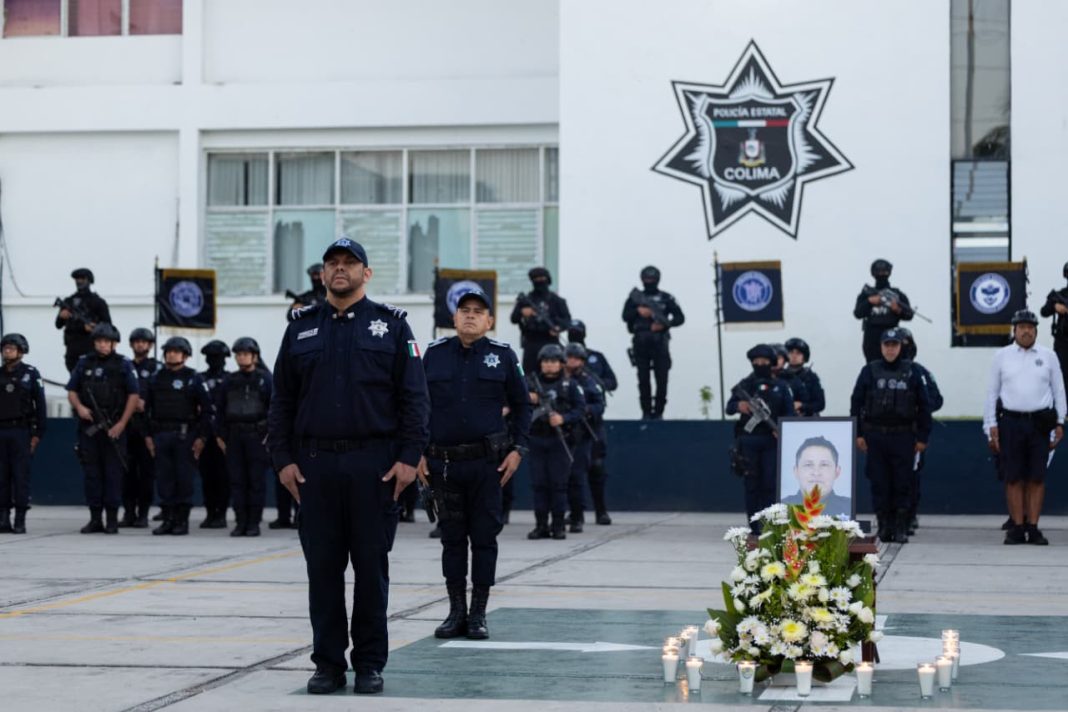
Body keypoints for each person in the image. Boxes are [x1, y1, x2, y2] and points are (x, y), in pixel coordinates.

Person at [267, 236, 429, 695]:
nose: (341, 270)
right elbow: (281, 399)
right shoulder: (300, 328)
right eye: (332, 263)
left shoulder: (392, 326)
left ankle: (370, 663)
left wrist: (408, 459)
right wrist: (282, 460)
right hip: (314, 466)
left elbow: (414, 397)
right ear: (322, 274)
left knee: (371, 570)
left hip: (373, 466)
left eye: (350, 263)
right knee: (323, 570)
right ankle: (328, 664)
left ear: (366, 273)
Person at [417, 286, 531, 640]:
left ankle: (479, 612)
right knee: (452, 540)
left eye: (478, 311)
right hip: (443, 465)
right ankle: (456, 611)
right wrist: (415, 451)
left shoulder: (503, 355)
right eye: (464, 309)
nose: (470, 315)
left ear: (490, 320)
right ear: (453, 317)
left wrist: (518, 450)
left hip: (486, 465)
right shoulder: (434, 355)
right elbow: (416, 404)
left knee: (484, 539)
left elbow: (523, 406)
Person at [984, 310, 1066, 546]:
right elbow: (992, 392)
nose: (1026, 330)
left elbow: (1059, 391)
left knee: (1036, 478)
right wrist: (991, 424)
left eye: (1030, 327)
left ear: (1036, 331)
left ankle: (1033, 527)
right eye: (1021, 327)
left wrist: (1059, 422)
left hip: (1040, 423)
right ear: (1014, 330)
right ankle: (1017, 528)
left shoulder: (1048, 356)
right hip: (1010, 423)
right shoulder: (1002, 356)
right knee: (1013, 478)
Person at [850, 328, 931, 544]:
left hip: (904, 436)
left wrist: (922, 438)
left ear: (900, 347)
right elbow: (856, 403)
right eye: (887, 345)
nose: (890, 349)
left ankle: (901, 527)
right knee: (880, 482)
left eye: (894, 345)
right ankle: (884, 526)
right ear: (881, 347)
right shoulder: (869, 371)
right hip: (875, 436)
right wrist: (858, 434)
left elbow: (925, 406)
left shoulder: (912, 371)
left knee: (902, 483)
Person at [66, 324, 139, 534]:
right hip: (90, 428)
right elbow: (72, 390)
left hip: (114, 427)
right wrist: (79, 407)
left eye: (106, 341)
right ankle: (95, 518)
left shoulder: (123, 364)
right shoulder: (84, 362)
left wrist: (122, 423)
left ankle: (112, 520)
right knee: (92, 474)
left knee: (113, 475)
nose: (102, 345)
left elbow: (133, 396)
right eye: (99, 341)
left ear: (114, 343)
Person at [145, 337, 213, 537]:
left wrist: (202, 437)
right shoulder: (156, 378)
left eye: (176, 351)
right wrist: (148, 436)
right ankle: (167, 520)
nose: (171, 354)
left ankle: (181, 521)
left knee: (183, 479)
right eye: (169, 351)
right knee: (164, 479)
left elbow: (208, 410)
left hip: (186, 436)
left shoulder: (194, 378)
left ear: (185, 355)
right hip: (161, 434)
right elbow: (146, 410)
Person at [726, 345, 795, 533]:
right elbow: (729, 406)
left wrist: (781, 428)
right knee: (752, 484)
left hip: (771, 442)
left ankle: (769, 524)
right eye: (756, 362)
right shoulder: (746, 385)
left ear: (771, 363)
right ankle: (755, 526)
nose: (759, 365)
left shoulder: (781, 387)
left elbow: (790, 413)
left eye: (763, 362)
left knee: (770, 484)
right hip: (748, 441)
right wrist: (740, 405)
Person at [525, 344, 585, 540]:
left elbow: (580, 410)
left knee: (558, 485)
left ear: (561, 364)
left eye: (553, 362)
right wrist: (528, 399)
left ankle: (558, 526)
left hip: (560, 441)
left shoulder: (570, 386)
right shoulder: (530, 384)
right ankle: (541, 525)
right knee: (539, 485)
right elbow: (515, 405)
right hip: (536, 439)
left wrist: (563, 419)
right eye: (546, 362)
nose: (549, 365)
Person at [216, 337, 272, 537]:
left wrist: (268, 436)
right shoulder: (229, 381)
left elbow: (274, 410)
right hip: (234, 436)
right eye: (239, 354)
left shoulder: (265, 379)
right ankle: (240, 522)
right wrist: (221, 437)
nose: (242, 357)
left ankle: (254, 522)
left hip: (257, 436)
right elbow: (220, 410)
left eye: (245, 354)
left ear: (254, 356)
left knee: (256, 481)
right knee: (237, 481)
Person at [566, 321, 615, 524]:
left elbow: (612, 383)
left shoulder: (596, 358)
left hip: (592, 424)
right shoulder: (560, 361)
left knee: (597, 468)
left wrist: (597, 384)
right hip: (570, 426)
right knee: (571, 472)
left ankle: (600, 511)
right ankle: (575, 512)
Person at [621, 266, 685, 419]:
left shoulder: (666, 298)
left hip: (660, 342)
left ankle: (659, 412)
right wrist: (638, 311)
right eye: (647, 279)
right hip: (641, 342)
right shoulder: (635, 299)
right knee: (643, 379)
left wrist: (664, 324)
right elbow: (625, 316)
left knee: (661, 378)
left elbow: (680, 318)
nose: (649, 282)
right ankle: (646, 412)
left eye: (652, 279)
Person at [897, 327, 943, 535]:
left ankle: (909, 515)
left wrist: (918, 407)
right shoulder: (877, 371)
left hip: (912, 432)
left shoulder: (920, 372)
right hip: (885, 433)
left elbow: (936, 399)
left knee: (911, 476)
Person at [0, 334, 46, 534]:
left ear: (21, 351)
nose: (7, 351)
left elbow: (40, 406)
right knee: (2, 478)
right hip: (1, 431)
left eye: (11, 348)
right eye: (5, 348)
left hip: (21, 431)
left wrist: (37, 434)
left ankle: (20, 519)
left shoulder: (31, 374)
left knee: (20, 477)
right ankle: (3, 518)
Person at [563, 343, 605, 532]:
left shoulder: (588, 380)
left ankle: (577, 516)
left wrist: (585, 409)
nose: (572, 361)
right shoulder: (558, 378)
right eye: (569, 357)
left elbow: (599, 405)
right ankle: (563, 514)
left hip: (583, 433)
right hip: (561, 433)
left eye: (576, 358)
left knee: (577, 476)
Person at [120, 327, 160, 528]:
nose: (140, 344)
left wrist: (146, 403)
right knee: (126, 473)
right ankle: (128, 512)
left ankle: (143, 513)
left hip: (147, 426)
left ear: (150, 345)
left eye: (144, 342)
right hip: (126, 425)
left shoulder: (156, 368)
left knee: (146, 474)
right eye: (136, 341)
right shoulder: (123, 366)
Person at [510, 267, 571, 375]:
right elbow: (514, 319)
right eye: (536, 279)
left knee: (554, 374)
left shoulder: (557, 301)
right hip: (531, 342)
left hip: (551, 342)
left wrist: (558, 328)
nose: (539, 281)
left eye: (542, 278)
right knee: (529, 376)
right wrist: (522, 312)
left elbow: (567, 321)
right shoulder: (526, 300)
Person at [197, 340, 232, 529]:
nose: (214, 361)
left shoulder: (230, 379)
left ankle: (222, 513)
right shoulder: (199, 378)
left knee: (223, 477)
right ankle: (210, 512)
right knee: (207, 477)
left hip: (223, 437)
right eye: (211, 357)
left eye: (217, 357)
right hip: (205, 435)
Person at [853, 259, 914, 364]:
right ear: (873, 273)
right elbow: (857, 313)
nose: (881, 274)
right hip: (872, 338)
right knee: (872, 369)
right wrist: (870, 301)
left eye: (884, 271)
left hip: (892, 337)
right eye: (878, 271)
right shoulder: (866, 294)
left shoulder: (897, 294)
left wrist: (897, 310)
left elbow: (909, 315)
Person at [55, 268, 112, 373]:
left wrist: (95, 328)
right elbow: (58, 325)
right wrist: (61, 316)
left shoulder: (98, 302)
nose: (79, 281)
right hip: (72, 349)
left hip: (91, 348)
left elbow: (108, 326)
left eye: (82, 278)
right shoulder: (69, 301)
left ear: (89, 280)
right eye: (77, 279)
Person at [781, 436, 851, 517]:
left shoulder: (849, 507)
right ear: (796, 471)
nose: (816, 472)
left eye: (824, 465)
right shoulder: (783, 508)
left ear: (837, 472)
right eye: (808, 465)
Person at [567, 320, 618, 392]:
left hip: (595, 399)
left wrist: (597, 383)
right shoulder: (562, 357)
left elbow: (613, 382)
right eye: (571, 333)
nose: (574, 335)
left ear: (584, 334)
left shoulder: (597, 356)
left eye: (577, 333)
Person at [1040, 262, 1068, 386]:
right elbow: (1043, 312)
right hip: (1063, 342)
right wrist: (1054, 306)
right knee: (1061, 379)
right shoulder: (1060, 295)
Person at [783, 337, 825, 416]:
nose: (794, 356)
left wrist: (802, 406)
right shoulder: (780, 376)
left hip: (807, 421)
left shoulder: (811, 378)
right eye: (791, 352)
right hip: (784, 421)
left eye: (798, 353)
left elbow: (820, 404)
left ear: (804, 357)